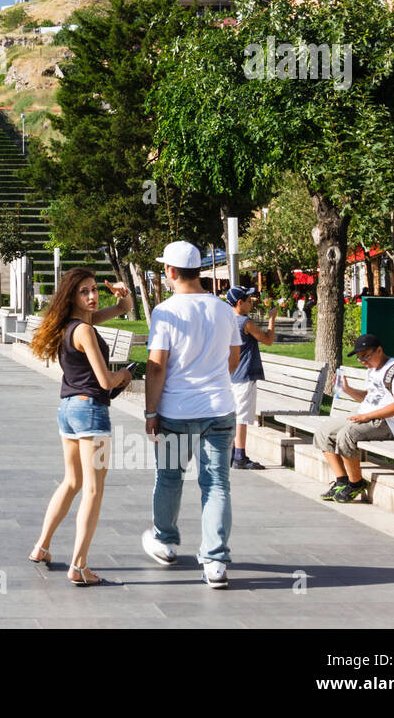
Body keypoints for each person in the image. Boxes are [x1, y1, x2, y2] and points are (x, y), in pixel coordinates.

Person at [141, 240, 240, 589]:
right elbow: (233, 359)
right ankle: (215, 561)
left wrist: (151, 411)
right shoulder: (224, 310)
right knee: (216, 484)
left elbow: (156, 367)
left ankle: (165, 540)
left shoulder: (165, 312)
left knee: (169, 477)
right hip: (219, 409)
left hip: (175, 411)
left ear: (170, 271)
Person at [26, 268, 134, 586]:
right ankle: (79, 565)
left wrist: (122, 293)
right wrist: (125, 376)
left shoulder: (72, 325)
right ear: (72, 296)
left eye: (93, 290)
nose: (91, 296)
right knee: (93, 489)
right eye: (84, 291)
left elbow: (123, 310)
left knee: (71, 482)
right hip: (90, 412)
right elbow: (105, 380)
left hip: (68, 409)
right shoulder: (85, 331)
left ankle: (42, 546)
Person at [315, 333, 394, 504]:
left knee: (347, 434)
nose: (363, 362)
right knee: (324, 431)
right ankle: (342, 481)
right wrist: (347, 390)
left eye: (366, 356)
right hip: (366, 416)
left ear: (379, 350)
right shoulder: (372, 370)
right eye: (360, 359)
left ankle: (356, 483)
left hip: (389, 423)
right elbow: (369, 398)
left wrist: (367, 416)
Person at [226, 286, 276, 470]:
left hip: (229, 375)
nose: (251, 302)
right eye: (248, 300)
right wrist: (272, 318)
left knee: (232, 414)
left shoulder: (225, 320)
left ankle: (231, 453)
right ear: (240, 303)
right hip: (244, 374)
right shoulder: (245, 322)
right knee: (242, 417)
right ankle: (240, 455)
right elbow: (268, 339)